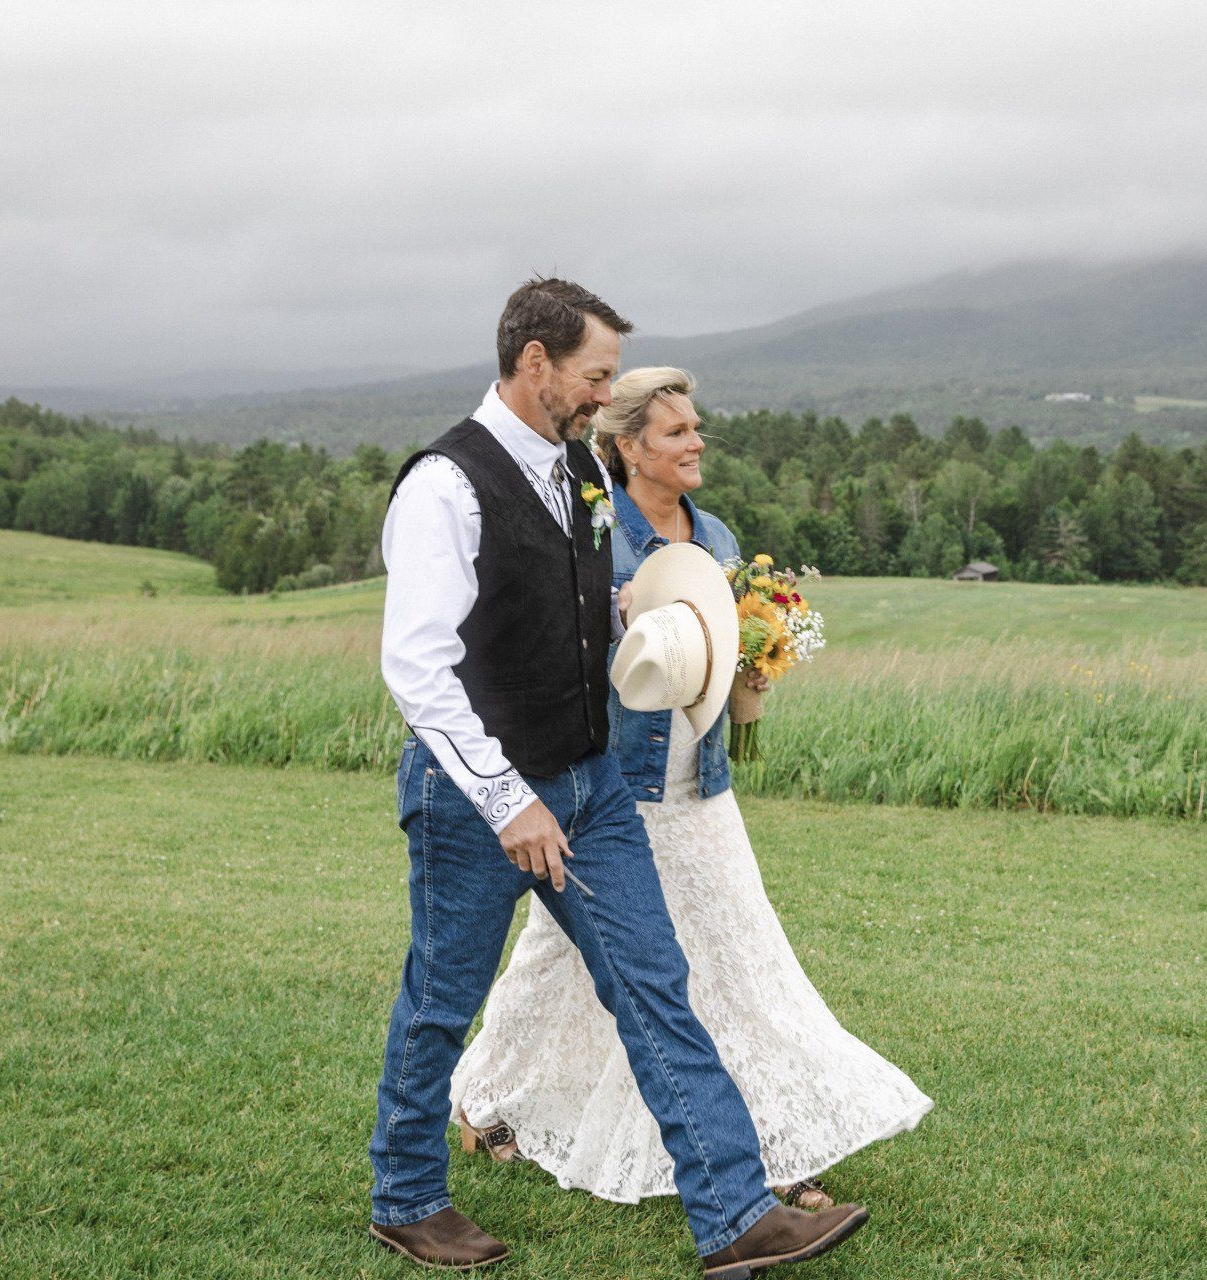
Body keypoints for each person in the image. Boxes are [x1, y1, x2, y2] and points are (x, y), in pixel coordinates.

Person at [369, 280, 867, 1276]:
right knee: (442, 994)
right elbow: (416, 665)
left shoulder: (576, 476)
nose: (603, 394)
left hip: (594, 786)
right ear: (534, 360)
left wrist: (664, 616)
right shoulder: (447, 485)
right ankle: (408, 1196)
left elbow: (585, 605)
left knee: (656, 984)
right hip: (480, 799)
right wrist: (509, 801)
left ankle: (734, 1214)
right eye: (594, 375)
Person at [450, 367, 932, 1208]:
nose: (697, 442)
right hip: (612, 783)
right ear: (629, 447)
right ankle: (481, 1096)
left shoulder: (716, 535)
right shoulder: (597, 532)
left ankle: (773, 1146)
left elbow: (733, 659)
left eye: (697, 428)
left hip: (701, 785)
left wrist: (760, 670)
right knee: (557, 955)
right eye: (676, 432)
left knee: (736, 960)